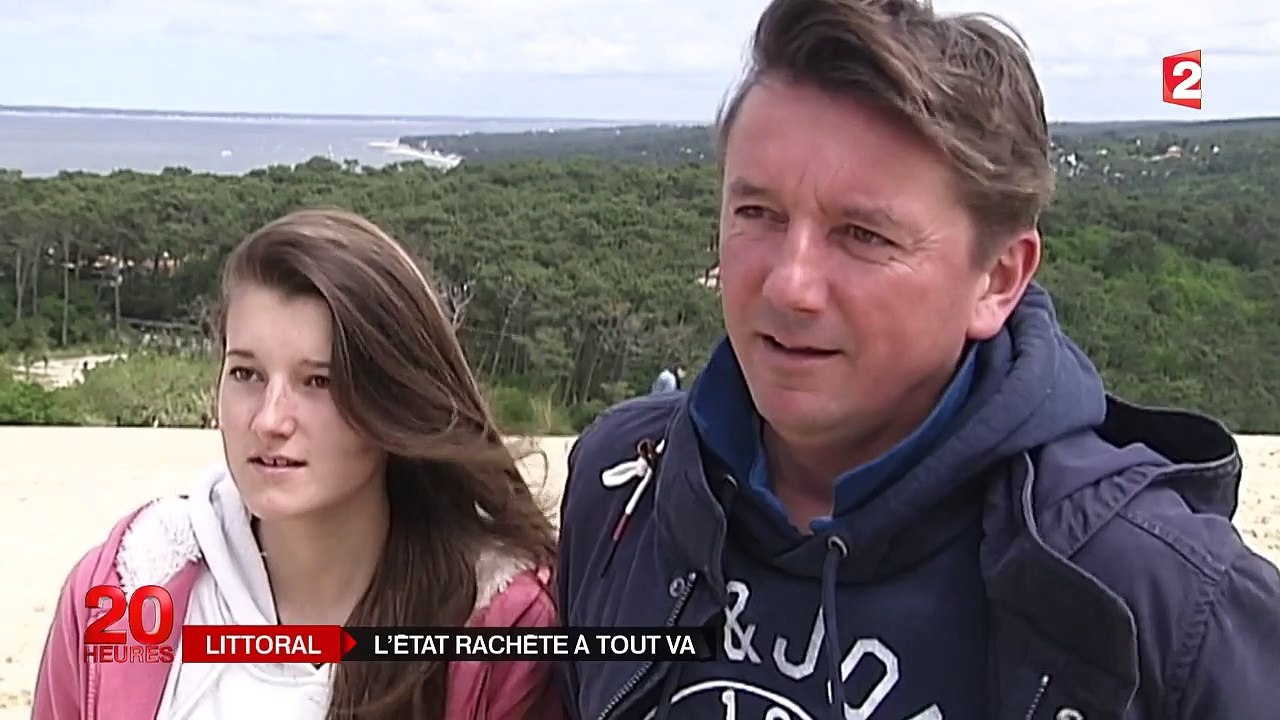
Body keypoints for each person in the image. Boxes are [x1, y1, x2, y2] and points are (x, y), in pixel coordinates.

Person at [555, 1, 1280, 719]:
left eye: (863, 234)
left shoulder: (1155, 600)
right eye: (757, 213)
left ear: (997, 279)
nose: (789, 284)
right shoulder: (627, 485)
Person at [33, 209, 562, 720]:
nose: (270, 420)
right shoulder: (122, 592)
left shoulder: (499, 634)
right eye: (246, 374)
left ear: (394, 399)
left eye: (318, 382)